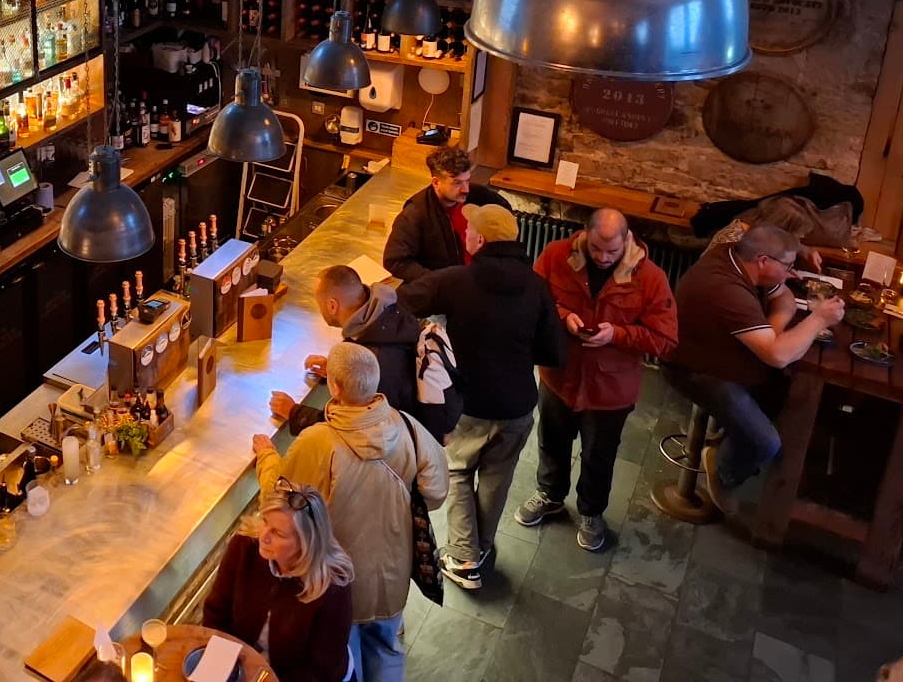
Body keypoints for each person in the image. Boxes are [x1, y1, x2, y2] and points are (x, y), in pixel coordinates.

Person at [253, 342, 448, 682]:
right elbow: (436, 492)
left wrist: (268, 457)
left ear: (335, 387)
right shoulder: (408, 427)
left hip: (339, 580)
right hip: (393, 574)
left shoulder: (318, 442)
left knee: (345, 658)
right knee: (387, 648)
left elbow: (278, 500)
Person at [401, 203, 568, 590]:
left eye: (469, 230)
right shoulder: (537, 286)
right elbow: (554, 354)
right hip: (517, 405)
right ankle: (481, 548)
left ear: (478, 239)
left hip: (469, 404)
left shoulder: (457, 280)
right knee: (497, 478)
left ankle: (462, 558)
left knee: (458, 470)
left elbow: (403, 300)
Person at [516, 209, 678, 551]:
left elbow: (665, 340)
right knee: (551, 441)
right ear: (584, 235)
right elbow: (532, 301)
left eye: (613, 252)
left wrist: (617, 334)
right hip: (559, 376)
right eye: (597, 250)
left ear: (627, 241)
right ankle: (550, 494)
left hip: (610, 391)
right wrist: (563, 317)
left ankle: (591, 512)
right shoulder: (555, 256)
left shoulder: (650, 278)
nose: (604, 258)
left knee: (598, 456)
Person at [661, 224, 844, 516]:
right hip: (691, 368)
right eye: (787, 265)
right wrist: (819, 319)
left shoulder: (739, 258)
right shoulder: (725, 287)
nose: (791, 272)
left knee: (780, 388)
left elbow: (783, 298)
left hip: (722, 354)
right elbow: (779, 355)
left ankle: (730, 440)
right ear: (763, 260)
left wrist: (771, 331)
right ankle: (724, 475)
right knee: (766, 442)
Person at [269, 263, 461, 441]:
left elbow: (355, 430)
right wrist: (341, 370)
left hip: (399, 448)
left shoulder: (377, 359)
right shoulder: (387, 315)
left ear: (332, 306)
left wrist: (295, 413)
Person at [203, 481, 355, 682]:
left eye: (278, 533)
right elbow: (217, 613)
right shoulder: (243, 547)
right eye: (265, 521)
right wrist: (225, 670)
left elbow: (321, 671)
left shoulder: (332, 587)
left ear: (305, 543)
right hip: (241, 668)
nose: (263, 536)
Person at [383, 147, 511, 282]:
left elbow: (504, 215)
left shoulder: (478, 196)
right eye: (457, 183)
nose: (466, 189)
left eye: (467, 180)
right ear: (436, 182)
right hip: (444, 290)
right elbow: (395, 261)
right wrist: (438, 281)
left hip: (481, 278)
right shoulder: (415, 214)